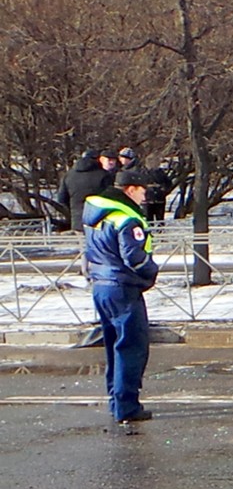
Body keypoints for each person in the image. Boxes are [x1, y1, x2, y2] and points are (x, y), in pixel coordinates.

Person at [83, 168, 163, 425]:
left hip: (101, 285)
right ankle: (127, 407)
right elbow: (134, 258)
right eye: (143, 190)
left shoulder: (97, 212)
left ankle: (115, 401)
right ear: (130, 190)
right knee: (131, 347)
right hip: (122, 287)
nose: (145, 195)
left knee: (113, 345)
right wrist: (151, 273)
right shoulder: (127, 219)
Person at [55, 150, 114, 231]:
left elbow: (61, 199)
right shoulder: (104, 175)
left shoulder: (68, 175)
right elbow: (111, 198)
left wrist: (73, 210)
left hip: (77, 221)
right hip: (99, 222)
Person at [117, 148, 173, 223]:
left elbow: (168, 183)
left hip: (156, 199)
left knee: (158, 220)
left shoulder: (157, 172)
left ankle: (159, 232)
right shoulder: (141, 171)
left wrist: (163, 191)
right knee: (148, 220)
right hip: (146, 199)